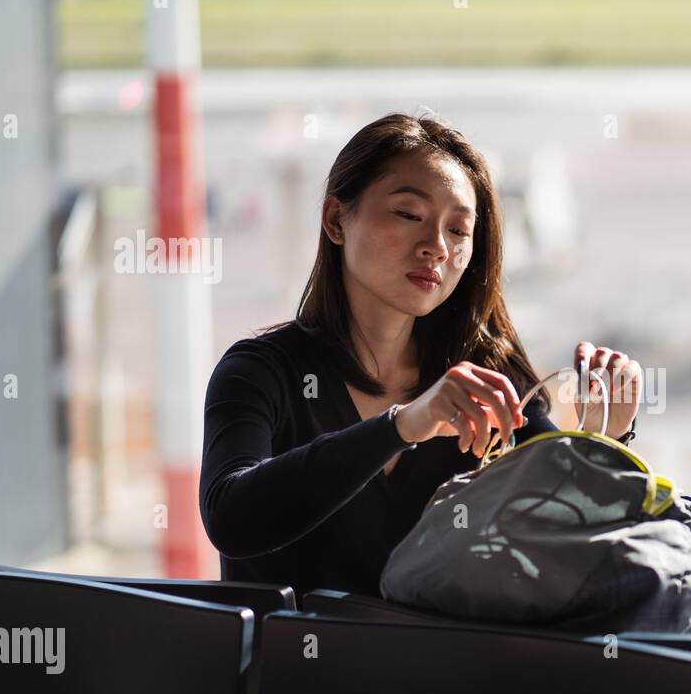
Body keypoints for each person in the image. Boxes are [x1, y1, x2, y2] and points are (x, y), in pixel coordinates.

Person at [199, 112, 642, 598]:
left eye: (458, 231)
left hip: (446, 674)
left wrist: (608, 439)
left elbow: (569, 543)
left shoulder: (490, 375)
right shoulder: (261, 372)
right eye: (409, 214)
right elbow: (232, 519)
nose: (435, 247)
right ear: (335, 220)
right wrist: (403, 425)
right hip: (294, 671)